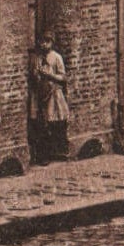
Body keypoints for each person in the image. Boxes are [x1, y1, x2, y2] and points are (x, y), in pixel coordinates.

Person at [33, 31, 70, 162]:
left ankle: (57, 151)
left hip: (53, 93)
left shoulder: (56, 57)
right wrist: (37, 75)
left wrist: (50, 76)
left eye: (47, 42)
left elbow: (63, 77)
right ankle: (44, 155)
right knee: (43, 124)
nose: (44, 44)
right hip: (42, 92)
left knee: (54, 122)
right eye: (42, 42)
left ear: (51, 43)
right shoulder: (38, 58)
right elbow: (35, 74)